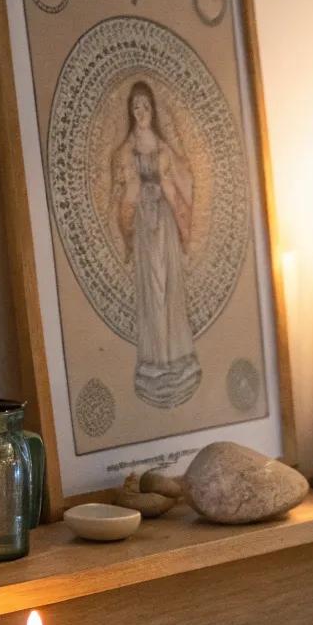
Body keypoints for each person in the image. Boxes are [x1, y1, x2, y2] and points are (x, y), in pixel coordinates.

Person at [108, 80, 201, 407]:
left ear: (152, 109)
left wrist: (167, 183)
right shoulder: (126, 150)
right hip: (144, 227)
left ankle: (176, 357)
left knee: (170, 286)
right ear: (130, 111)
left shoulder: (163, 147)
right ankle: (154, 362)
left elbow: (184, 178)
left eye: (146, 105)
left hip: (164, 221)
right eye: (136, 106)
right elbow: (120, 191)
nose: (141, 112)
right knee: (152, 289)